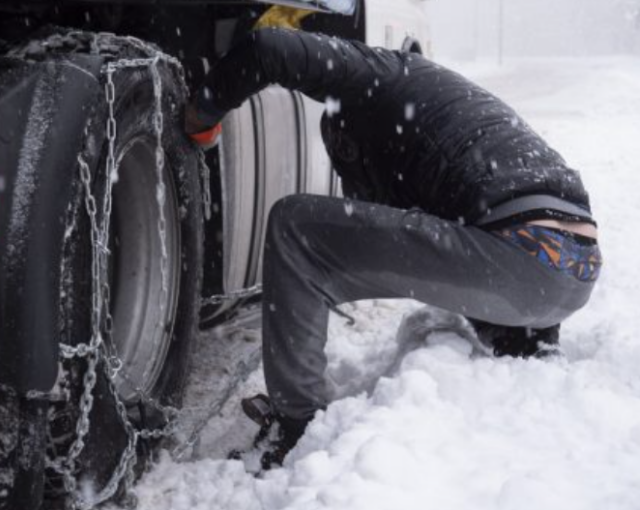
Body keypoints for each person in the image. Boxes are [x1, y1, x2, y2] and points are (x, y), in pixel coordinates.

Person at [184, 28, 602, 469]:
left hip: (519, 255)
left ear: (349, 134)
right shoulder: (433, 107)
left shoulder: (368, 78)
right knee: (460, 235)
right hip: (574, 270)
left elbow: (267, 48)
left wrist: (200, 115)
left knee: (296, 228)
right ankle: (526, 339)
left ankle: (296, 427)